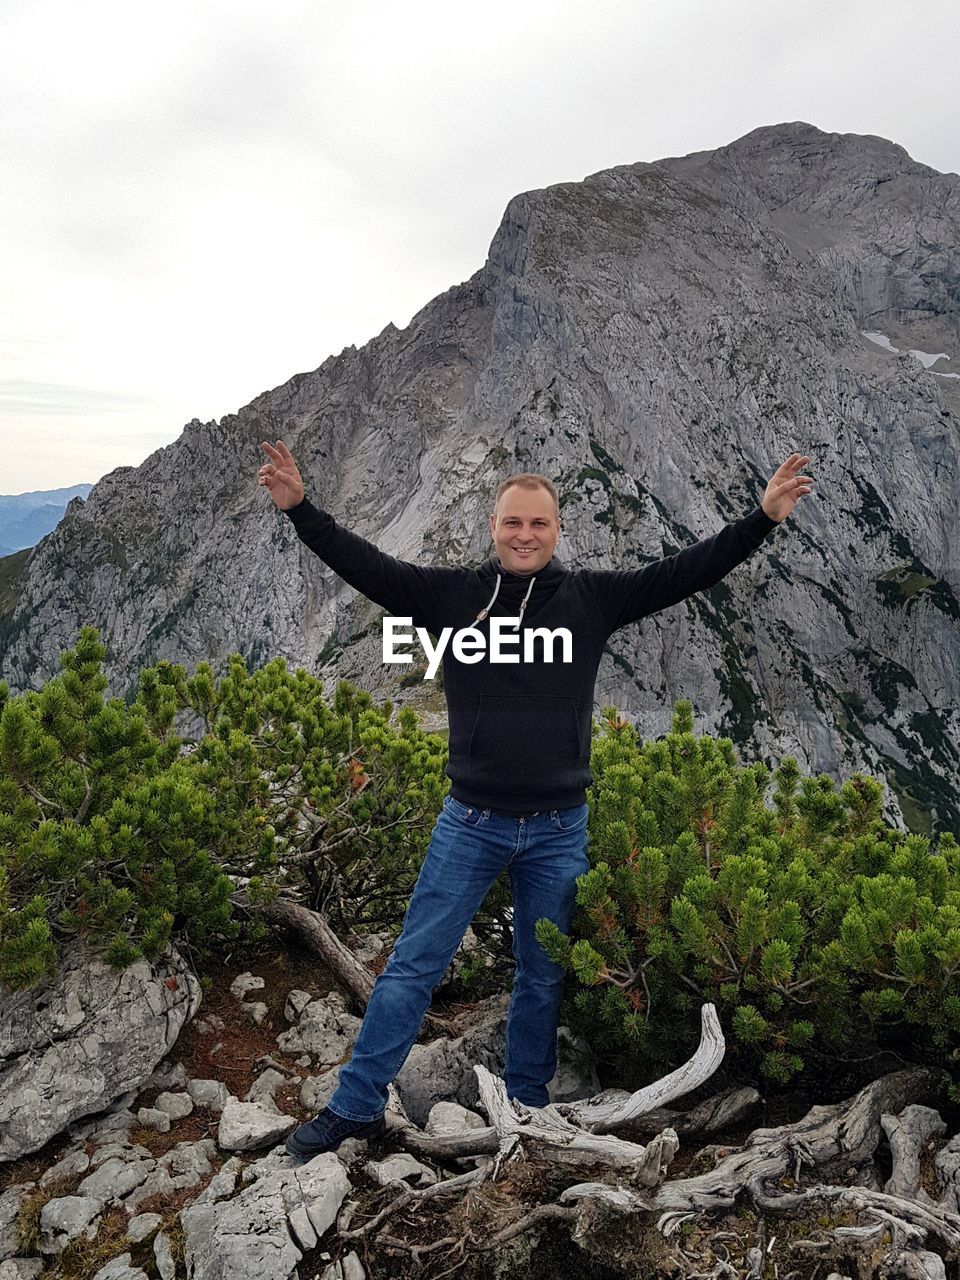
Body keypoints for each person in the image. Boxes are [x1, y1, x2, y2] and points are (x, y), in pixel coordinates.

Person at [257, 440, 813, 1159]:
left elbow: (687, 571)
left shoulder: (592, 599)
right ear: (494, 526)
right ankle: (356, 1106)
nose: (525, 535)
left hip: (559, 830)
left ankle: (525, 1108)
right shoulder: (451, 597)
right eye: (513, 523)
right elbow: (365, 564)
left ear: (557, 531)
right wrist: (301, 510)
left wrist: (761, 520)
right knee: (412, 968)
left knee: (541, 974)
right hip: (472, 823)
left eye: (539, 525)